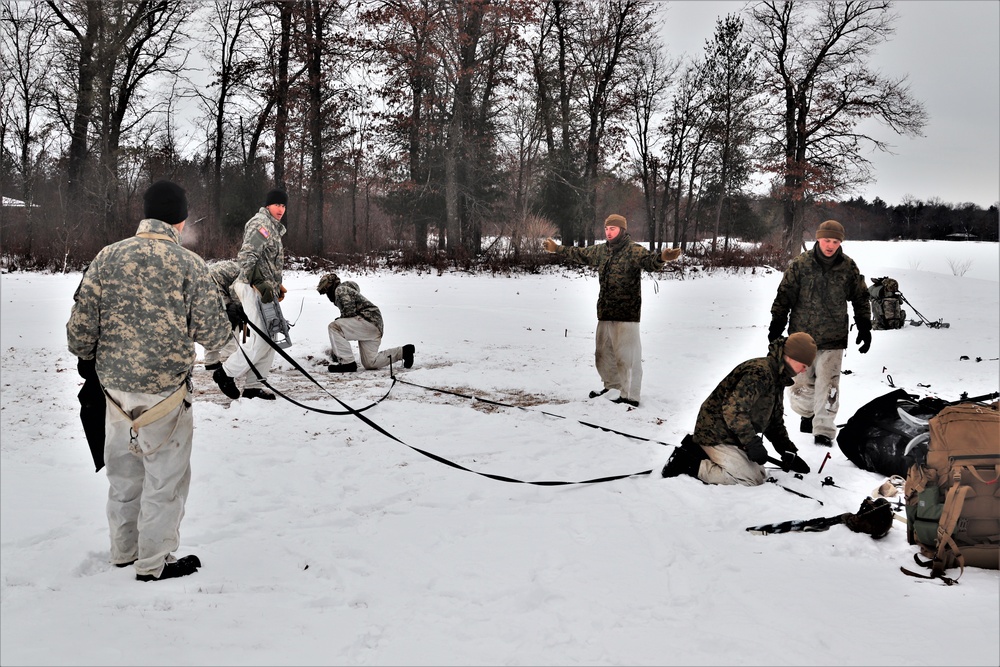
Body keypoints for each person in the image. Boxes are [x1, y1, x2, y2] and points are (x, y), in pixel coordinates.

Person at [67, 180, 232, 581]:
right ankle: (152, 564)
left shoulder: (107, 258)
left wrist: (94, 361)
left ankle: (123, 551)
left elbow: (78, 335)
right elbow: (218, 337)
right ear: (180, 219)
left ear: (145, 215)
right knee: (165, 481)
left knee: (124, 478)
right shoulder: (190, 265)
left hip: (115, 395)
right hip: (167, 396)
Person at [542, 213, 682, 407]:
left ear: (622, 230)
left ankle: (630, 396)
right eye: (607, 229)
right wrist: (557, 248)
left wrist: (663, 257)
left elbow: (650, 261)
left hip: (627, 315)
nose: (608, 232)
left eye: (613, 229)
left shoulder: (633, 250)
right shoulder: (602, 251)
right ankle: (612, 388)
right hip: (605, 312)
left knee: (628, 358)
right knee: (603, 355)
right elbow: (580, 253)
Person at [661, 333, 817, 486]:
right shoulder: (760, 373)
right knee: (750, 479)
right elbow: (733, 410)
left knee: (760, 474)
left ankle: (704, 454)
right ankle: (688, 462)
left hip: (733, 434)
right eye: (804, 365)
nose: (804, 371)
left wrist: (787, 452)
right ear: (791, 356)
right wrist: (752, 443)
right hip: (715, 432)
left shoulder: (777, 376)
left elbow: (774, 421)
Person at [768, 220, 872, 446]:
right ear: (818, 239)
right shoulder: (800, 265)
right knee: (800, 386)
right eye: (827, 240)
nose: (830, 245)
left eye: (835, 241)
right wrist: (776, 324)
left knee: (830, 385)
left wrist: (864, 325)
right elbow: (784, 295)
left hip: (833, 338)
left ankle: (824, 430)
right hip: (801, 339)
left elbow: (861, 297)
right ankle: (807, 414)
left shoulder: (848, 267)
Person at [213, 188, 289, 401]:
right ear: (268, 205)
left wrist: (275, 285)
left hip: (265, 291)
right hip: (251, 288)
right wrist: (259, 283)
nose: (280, 209)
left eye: (283, 205)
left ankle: (254, 386)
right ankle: (225, 374)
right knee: (258, 340)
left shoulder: (273, 229)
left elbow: (267, 262)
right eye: (277, 205)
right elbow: (247, 257)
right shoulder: (261, 225)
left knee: (272, 339)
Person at [317, 273, 415, 372]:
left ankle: (347, 363)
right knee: (370, 363)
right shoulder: (346, 291)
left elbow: (349, 312)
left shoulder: (340, 289)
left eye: (326, 291)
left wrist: (340, 323)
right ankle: (403, 352)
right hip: (375, 326)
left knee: (334, 327)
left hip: (367, 320)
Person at [203, 259, 244, 372]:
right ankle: (229, 359)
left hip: (201, 291)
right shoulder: (243, 274)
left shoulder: (231, 266)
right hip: (216, 292)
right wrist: (241, 308)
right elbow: (236, 293)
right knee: (231, 323)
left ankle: (211, 361)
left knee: (211, 327)